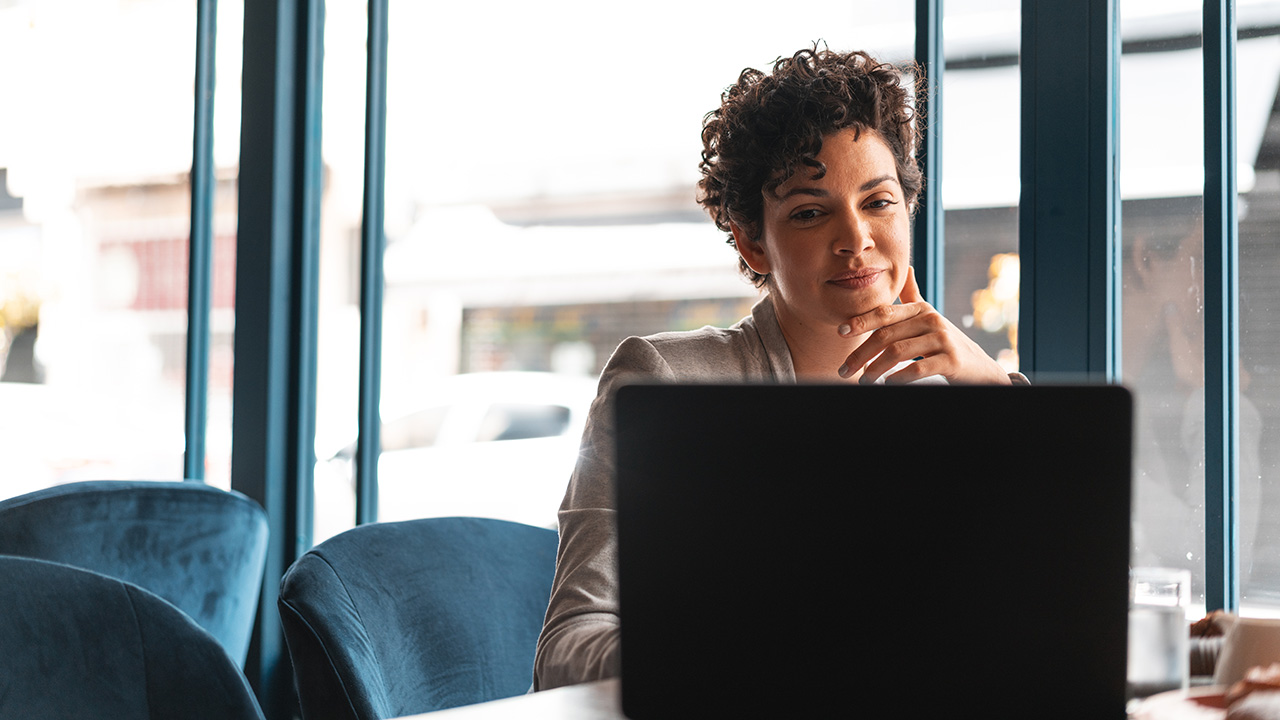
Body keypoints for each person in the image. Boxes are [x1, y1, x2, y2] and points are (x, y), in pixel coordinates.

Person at [533, 45, 1026, 691]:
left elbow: (1061, 603)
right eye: (810, 212)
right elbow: (568, 650)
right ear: (752, 241)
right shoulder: (667, 382)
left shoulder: (964, 392)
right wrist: (739, 651)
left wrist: (998, 396)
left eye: (878, 202)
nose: (856, 239)